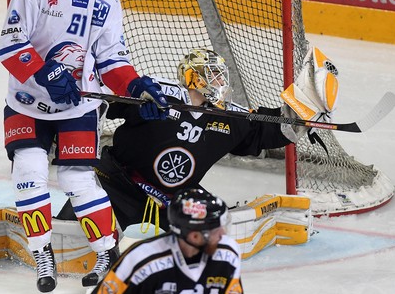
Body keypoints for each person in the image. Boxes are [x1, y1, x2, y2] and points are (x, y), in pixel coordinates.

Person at [0, 0, 169, 294]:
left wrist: (136, 86)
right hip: (26, 101)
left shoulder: (108, 2)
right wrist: (44, 74)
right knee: (29, 169)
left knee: (76, 180)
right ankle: (43, 252)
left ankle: (107, 253)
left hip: (78, 105)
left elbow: (112, 61)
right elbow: (10, 44)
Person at [58, 48, 324, 234]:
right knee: (73, 227)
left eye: (221, 75)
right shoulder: (156, 92)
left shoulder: (231, 118)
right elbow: (102, 100)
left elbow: (272, 131)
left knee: (216, 226)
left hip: (171, 199)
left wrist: (303, 111)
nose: (221, 81)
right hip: (117, 182)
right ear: (194, 77)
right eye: (214, 74)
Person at [80, 188, 244, 294]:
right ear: (194, 236)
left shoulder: (227, 255)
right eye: (216, 230)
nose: (223, 234)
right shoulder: (141, 260)